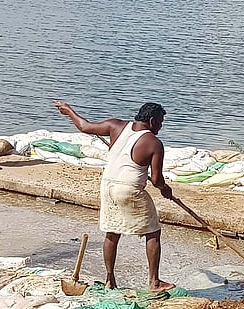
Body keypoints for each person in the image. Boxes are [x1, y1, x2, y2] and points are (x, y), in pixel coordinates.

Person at [54, 101, 175, 292]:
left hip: (107, 186)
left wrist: (69, 110)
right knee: (153, 232)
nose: (160, 127)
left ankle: (110, 280)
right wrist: (165, 189)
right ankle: (154, 282)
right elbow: (156, 179)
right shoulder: (154, 143)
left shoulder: (116, 126)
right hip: (129, 189)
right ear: (152, 121)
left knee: (112, 233)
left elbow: (84, 126)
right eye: (160, 122)